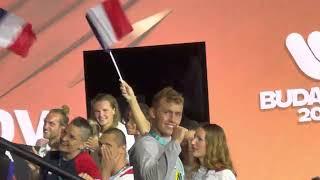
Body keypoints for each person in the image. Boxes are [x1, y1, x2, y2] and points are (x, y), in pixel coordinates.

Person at [129, 87, 187, 180]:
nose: (173, 119)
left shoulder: (171, 144)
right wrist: (175, 143)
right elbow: (152, 178)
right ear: (153, 112)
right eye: (167, 112)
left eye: (177, 114)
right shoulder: (145, 143)